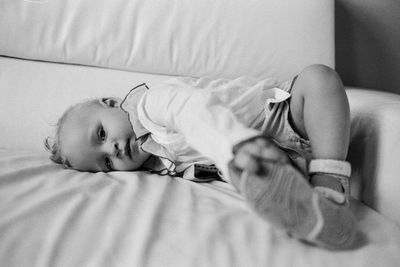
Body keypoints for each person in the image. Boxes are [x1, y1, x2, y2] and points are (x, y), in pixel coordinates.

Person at [45, 64, 357, 249]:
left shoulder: (151, 105)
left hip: (287, 114)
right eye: (106, 163)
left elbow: (194, 113)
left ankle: (329, 179)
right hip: (276, 158)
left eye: (101, 134)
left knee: (319, 79)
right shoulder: (161, 165)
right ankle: (312, 213)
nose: (112, 149)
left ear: (113, 102)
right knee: (271, 190)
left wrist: (238, 148)